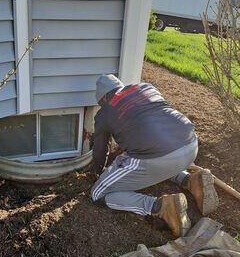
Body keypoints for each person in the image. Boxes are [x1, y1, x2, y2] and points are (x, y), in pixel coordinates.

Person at [91, 74, 219, 237]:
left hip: (158, 159)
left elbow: (100, 149)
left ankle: (159, 207)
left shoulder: (104, 113)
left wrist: (97, 171)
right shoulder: (145, 87)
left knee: (97, 194)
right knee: (157, 154)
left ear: (102, 99)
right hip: (190, 146)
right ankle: (190, 180)